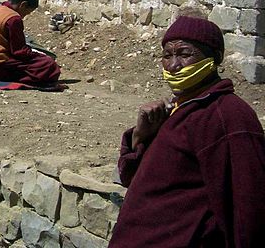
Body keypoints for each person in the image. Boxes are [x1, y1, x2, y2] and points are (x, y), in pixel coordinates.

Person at [109, 16, 265, 247]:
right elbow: (131, 177)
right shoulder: (177, 109)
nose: (174, 66)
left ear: (216, 58)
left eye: (184, 54)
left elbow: (248, 205)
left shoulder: (228, 116)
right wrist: (140, 137)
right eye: (167, 55)